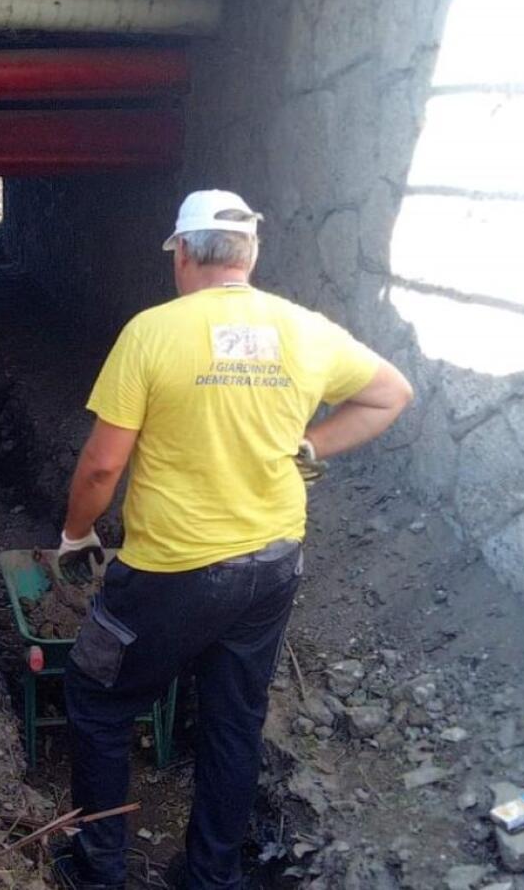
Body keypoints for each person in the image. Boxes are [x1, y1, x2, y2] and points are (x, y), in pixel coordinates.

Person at [54, 190, 413, 889]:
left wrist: (75, 533)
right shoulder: (305, 329)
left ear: (183, 253)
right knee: (233, 720)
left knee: (97, 698)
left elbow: (101, 465)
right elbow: (390, 394)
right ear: (250, 254)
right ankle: (211, 875)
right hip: (272, 562)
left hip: (172, 570)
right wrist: (310, 445)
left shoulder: (152, 332)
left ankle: (98, 870)